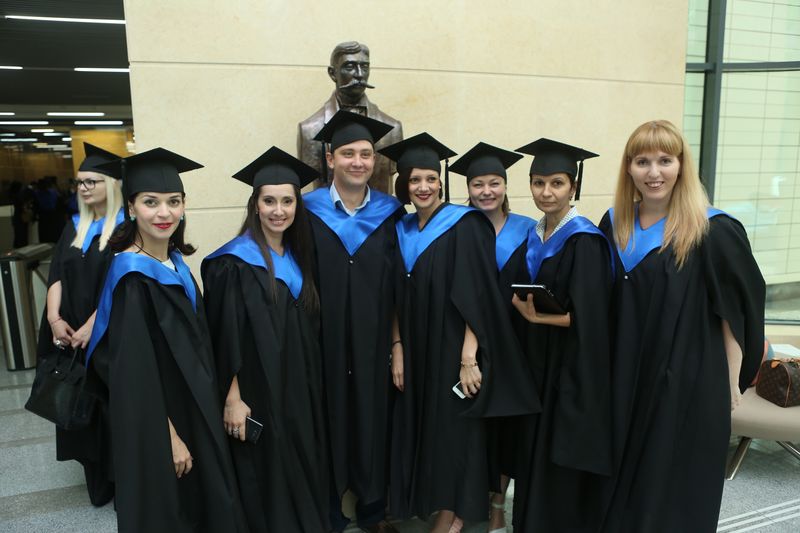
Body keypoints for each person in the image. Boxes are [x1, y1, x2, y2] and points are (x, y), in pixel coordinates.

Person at [599, 120, 765, 533]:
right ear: (628, 168)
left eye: (664, 160)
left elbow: (734, 313)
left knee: (672, 477)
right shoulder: (614, 224)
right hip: (623, 374)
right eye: (642, 161)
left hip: (687, 377)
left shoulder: (712, 229)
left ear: (681, 165)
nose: (653, 172)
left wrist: (731, 381)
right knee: (621, 475)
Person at [85, 148, 248, 533]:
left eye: (174, 202)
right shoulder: (132, 278)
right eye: (151, 202)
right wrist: (168, 437)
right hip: (165, 420)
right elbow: (133, 375)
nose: (164, 213)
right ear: (130, 208)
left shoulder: (175, 264)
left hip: (197, 410)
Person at [384, 137, 540, 533]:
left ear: (441, 182)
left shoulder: (464, 224)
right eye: (415, 179)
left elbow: (478, 294)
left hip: (452, 345)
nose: (423, 187)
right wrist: (397, 347)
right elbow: (393, 296)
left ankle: (451, 518)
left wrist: (469, 357)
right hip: (416, 346)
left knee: (455, 431)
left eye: (430, 178)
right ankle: (436, 507)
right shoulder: (400, 228)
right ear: (404, 185)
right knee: (428, 430)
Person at [202, 147, 329, 532]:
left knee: (301, 459)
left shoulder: (300, 256)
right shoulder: (232, 263)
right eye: (269, 201)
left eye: (287, 201)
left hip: (299, 388)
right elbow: (222, 337)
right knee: (267, 470)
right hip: (258, 390)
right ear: (255, 205)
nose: (279, 210)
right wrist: (232, 398)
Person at [303, 110, 405, 533]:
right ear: (330, 159)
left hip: (373, 341)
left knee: (373, 418)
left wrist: (396, 343)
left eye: (365, 154)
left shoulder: (390, 212)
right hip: (320, 341)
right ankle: (329, 509)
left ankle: (373, 508)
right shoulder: (305, 210)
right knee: (324, 417)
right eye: (348, 154)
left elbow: (400, 284)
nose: (358, 162)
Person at [509, 138, 614, 532]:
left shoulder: (584, 240)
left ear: (573, 186)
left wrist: (537, 317)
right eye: (538, 183)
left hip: (569, 364)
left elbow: (591, 318)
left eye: (556, 183)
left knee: (557, 454)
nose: (546, 192)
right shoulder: (535, 234)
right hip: (536, 361)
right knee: (532, 451)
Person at [36, 143, 124, 506]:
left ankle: (121, 482)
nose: (83, 188)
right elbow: (56, 274)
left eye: (92, 181)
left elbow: (119, 282)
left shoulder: (126, 228)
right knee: (79, 402)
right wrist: (54, 319)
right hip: (70, 332)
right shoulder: (74, 226)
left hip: (110, 331)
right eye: (79, 182)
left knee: (110, 405)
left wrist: (93, 325)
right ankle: (96, 483)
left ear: (111, 185)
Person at [465, 142, 533, 533]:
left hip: (516, 341)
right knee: (473, 429)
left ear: (506, 186)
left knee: (507, 428)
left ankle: (496, 506)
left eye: (494, 183)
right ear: (468, 188)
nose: (486, 191)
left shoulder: (528, 229)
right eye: (478, 184)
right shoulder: (457, 226)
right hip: (469, 340)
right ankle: (462, 504)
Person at [297, 41, 403, 192]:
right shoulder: (309, 130)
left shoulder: (393, 129)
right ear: (332, 73)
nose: (359, 74)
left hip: (380, 207)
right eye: (349, 67)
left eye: (364, 67)